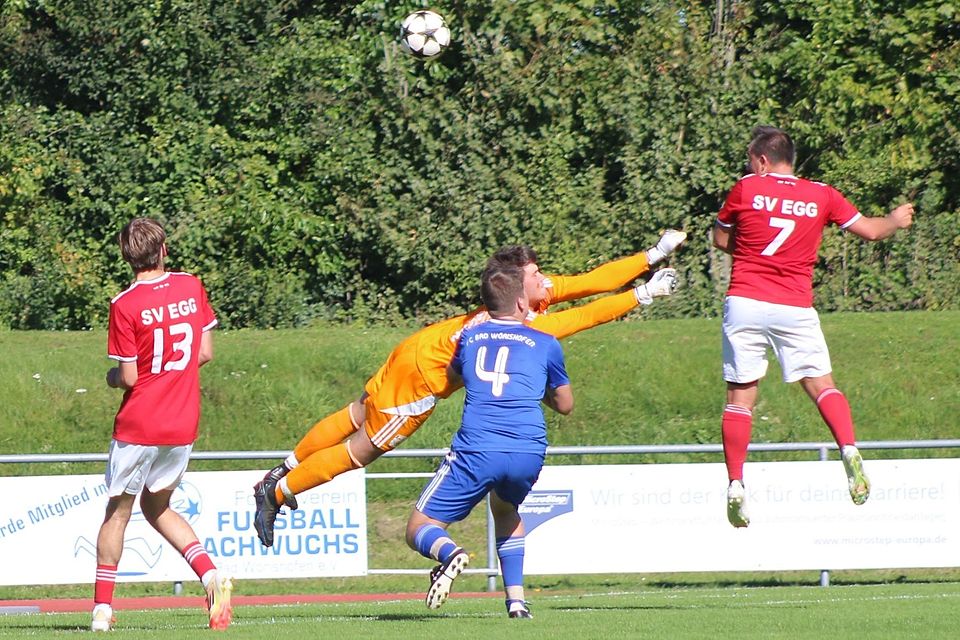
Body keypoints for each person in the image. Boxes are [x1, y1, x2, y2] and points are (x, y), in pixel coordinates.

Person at [253, 231, 686, 547]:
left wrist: (654, 253)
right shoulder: (523, 323)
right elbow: (583, 317)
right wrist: (643, 295)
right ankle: (276, 492)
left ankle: (283, 466)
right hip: (422, 380)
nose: (545, 280)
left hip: (421, 345)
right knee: (363, 450)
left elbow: (592, 280)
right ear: (518, 287)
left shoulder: (528, 294)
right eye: (536, 275)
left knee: (357, 412)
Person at [712, 126, 914, 528]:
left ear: (763, 160)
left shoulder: (747, 188)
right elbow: (872, 232)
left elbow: (721, 239)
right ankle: (849, 449)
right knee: (822, 384)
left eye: (752, 159)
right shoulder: (821, 194)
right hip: (794, 305)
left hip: (746, 300)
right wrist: (893, 219)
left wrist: (751, 246)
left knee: (740, 398)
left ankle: (736, 483)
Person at [406, 261, 573, 618]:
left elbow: (455, 376)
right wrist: (531, 386)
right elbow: (565, 404)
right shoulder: (545, 342)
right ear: (520, 304)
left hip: (479, 447)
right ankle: (516, 602)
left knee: (420, 527)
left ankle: (449, 554)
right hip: (528, 449)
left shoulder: (470, 335)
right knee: (507, 509)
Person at [92, 218, 232, 631]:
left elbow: (130, 377)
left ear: (126, 257)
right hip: (182, 421)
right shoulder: (191, 285)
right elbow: (204, 352)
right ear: (164, 249)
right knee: (159, 507)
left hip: (140, 423)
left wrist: (111, 377)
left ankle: (102, 609)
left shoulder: (125, 303)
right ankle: (210, 576)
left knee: (118, 513)